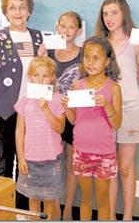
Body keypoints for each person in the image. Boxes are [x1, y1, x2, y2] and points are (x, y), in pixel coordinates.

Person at [0, 0, 44, 209]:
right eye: (12, 7)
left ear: (29, 11)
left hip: (32, 112)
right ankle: (2, 210)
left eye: (22, 7)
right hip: (5, 110)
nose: (18, 12)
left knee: (26, 163)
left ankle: (22, 209)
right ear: (6, 12)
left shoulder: (38, 37)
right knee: (5, 162)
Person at [95, 0, 139, 220]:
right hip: (102, 111)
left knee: (125, 169)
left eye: (114, 13)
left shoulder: (137, 42)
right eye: (106, 13)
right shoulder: (99, 44)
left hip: (130, 108)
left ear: (124, 14)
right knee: (108, 170)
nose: (109, 18)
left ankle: (127, 218)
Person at [62, 36, 123, 220]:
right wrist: (67, 108)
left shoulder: (113, 88)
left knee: (103, 200)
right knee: (86, 199)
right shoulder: (77, 85)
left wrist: (107, 106)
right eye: (87, 57)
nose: (90, 62)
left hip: (104, 153)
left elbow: (117, 124)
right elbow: (73, 120)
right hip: (81, 151)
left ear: (107, 61)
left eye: (96, 58)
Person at [15, 56, 66, 220]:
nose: (40, 79)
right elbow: (19, 131)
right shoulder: (25, 101)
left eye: (44, 76)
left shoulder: (57, 99)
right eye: (36, 75)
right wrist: (21, 158)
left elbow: (60, 128)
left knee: (49, 201)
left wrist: (46, 109)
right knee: (33, 200)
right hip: (30, 159)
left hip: (52, 160)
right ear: (30, 77)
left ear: (51, 78)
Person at [47, 11, 83, 220]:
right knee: (53, 163)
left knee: (71, 165)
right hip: (51, 115)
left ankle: (67, 209)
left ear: (78, 30)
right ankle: (53, 208)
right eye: (62, 26)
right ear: (56, 27)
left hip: (75, 115)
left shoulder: (82, 54)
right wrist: (41, 58)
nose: (66, 31)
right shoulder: (48, 52)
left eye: (71, 27)